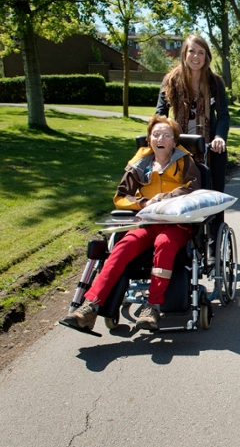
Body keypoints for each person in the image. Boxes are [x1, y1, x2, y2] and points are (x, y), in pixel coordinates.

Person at [62, 115, 202, 332]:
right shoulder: (139, 164)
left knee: (164, 243)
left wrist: (166, 198)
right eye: (156, 135)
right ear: (149, 140)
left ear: (175, 141)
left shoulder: (185, 161)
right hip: (147, 222)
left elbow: (194, 188)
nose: (160, 139)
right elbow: (120, 196)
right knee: (123, 246)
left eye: (166, 135)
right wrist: (144, 202)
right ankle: (90, 306)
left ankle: (153, 305)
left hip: (177, 224)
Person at [155, 33, 230, 246]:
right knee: (179, 192)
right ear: (184, 54)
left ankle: (216, 243)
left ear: (206, 57)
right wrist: (159, 136)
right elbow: (160, 113)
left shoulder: (215, 83)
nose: (196, 57)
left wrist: (219, 137)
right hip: (179, 145)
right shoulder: (171, 80)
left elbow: (223, 115)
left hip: (209, 145)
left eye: (201, 53)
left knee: (214, 194)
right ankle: (183, 238)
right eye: (192, 52)